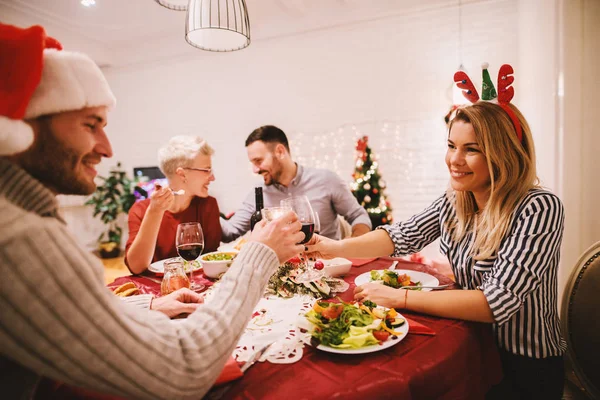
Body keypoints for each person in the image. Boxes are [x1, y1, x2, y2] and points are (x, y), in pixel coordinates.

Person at [0, 23, 304, 399]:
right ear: (21, 128)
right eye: (90, 125)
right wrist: (261, 253)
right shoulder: (18, 237)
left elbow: (77, 316)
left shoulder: (25, 218)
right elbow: (184, 368)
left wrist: (148, 305)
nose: (108, 148)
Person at [306, 75, 566, 399]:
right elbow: (401, 235)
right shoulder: (457, 199)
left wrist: (397, 297)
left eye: (471, 150)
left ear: (504, 154)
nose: (454, 160)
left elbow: (495, 303)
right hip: (475, 347)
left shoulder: (539, 207)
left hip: (525, 365)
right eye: (451, 145)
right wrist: (335, 247)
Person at [221, 125, 372, 242]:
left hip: (328, 266)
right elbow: (230, 231)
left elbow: (359, 216)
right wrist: (201, 203)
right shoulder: (258, 194)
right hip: (284, 273)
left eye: (258, 161)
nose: (255, 169)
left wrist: (350, 245)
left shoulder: (326, 180)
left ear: (280, 151)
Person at [125, 136, 221, 274]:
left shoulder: (208, 206)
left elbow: (211, 261)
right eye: (207, 170)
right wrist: (155, 212)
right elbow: (136, 267)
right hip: (157, 290)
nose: (212, 177)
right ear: (182, 174)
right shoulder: (141, 211)